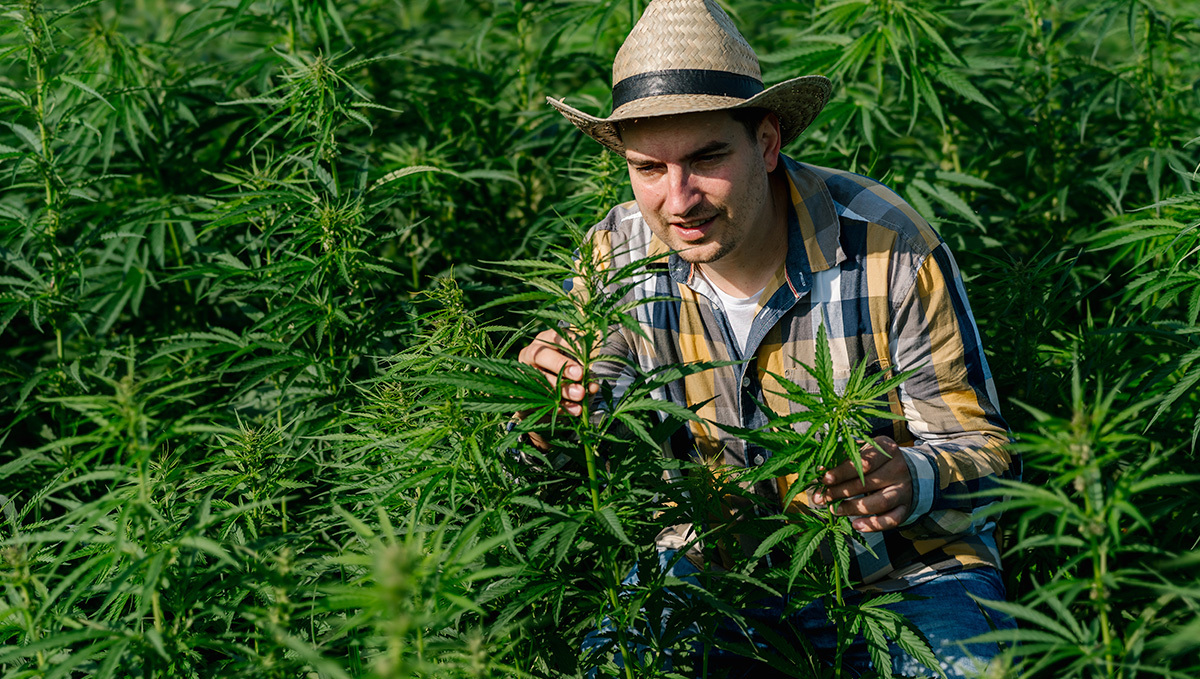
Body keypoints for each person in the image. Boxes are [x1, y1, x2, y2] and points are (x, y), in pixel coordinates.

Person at [517, 0, 1019, 676]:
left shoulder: (888, 245)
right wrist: (547, 410)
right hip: (708, 571)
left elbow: (987, 451)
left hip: (902, 575)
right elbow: (581, 444)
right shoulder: (614, 252)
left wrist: (913, 476)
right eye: (649, 168)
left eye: (707, 157)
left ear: (767, 142)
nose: (679, 199)